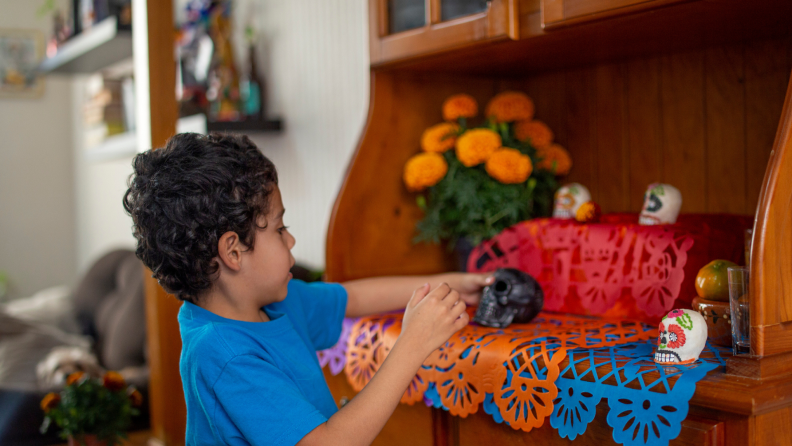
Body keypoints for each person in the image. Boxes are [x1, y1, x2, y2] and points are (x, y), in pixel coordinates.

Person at [123, 133, 493, 446]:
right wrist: (412, 344)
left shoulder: (274, 303)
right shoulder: (224, 356)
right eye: (280, 229)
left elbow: (355, 298)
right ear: (233, 251)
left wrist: (454, 283)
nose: (291, 239)